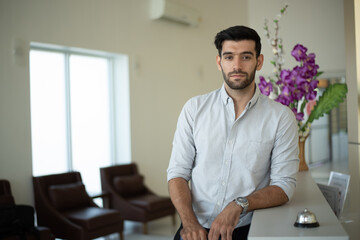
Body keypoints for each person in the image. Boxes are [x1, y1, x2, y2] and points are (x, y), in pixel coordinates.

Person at [167, 25, 299, 240]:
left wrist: (239, 205)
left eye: (246, 57)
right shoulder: (194, 109)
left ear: (259, 61)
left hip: (247, 230)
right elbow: (177, 174)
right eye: (229, 57)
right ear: (219, 62)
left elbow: (284, 186)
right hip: (194, 229)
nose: (237, 65)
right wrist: (189, 223)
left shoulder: (281, 117)